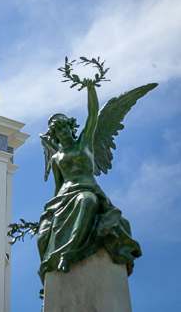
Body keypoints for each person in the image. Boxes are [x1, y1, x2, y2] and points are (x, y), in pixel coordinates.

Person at [37, 80, 141, 283]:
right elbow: (58, 187)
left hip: (87, 190)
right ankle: (48, 276)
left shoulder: (85, 142)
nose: (63, 133)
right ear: (56, 135)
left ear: (70, 127)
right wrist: (51, 212)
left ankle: (67, 254)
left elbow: (93, 114)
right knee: (43, 233)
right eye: (58, 131)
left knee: (87, 201)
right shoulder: (57, 158)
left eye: (65, 128)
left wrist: (90, 88)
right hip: (64, 197)